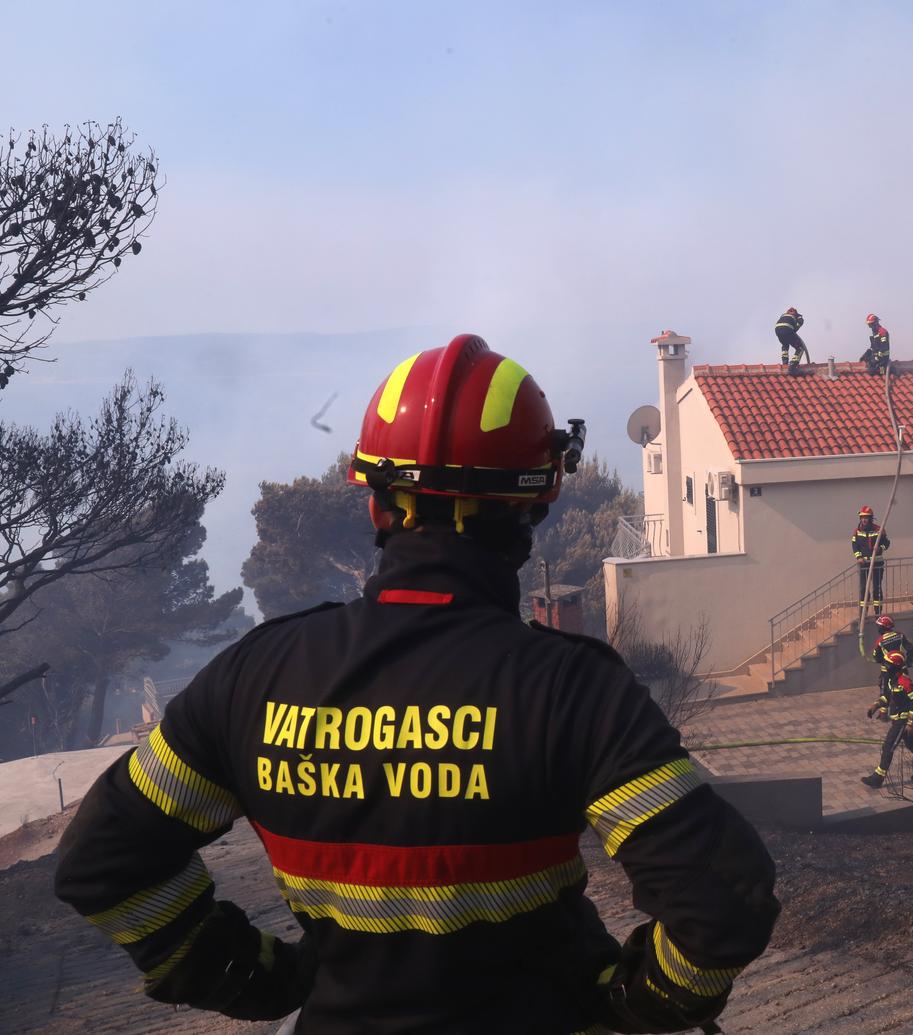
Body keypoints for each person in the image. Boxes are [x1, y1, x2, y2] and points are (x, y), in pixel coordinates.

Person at [54, 334, 780, 1035]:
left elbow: (103, 858)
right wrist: (638, 1000)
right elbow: (724, 899)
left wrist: (252, 974)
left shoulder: (254, 676)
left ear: (375, 504)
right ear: (530, 509)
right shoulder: (574, 692)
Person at [862, 648, 913, 788]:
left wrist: (910, 723)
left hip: (902, 722)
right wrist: (875, 706)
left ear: (894, 667)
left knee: (888, 746)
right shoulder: (892, 681)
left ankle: (878, 778)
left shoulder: (904, 683)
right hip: (898, 721)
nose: (886, 667)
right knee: (912, 744)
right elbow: (888, 696)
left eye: (888, 665)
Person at [851, 505, 890, 609]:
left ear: (870, 518)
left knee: (876, 588)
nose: (864, 520)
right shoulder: (857, 531)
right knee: (863, 588)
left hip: (877, 564)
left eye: (866, 517)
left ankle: (878, 612)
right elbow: (855, 546)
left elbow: (886, 543)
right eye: (862, 517)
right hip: (863, 564)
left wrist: (880, 549)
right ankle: (864, 612)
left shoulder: (879, 530)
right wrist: (858, 557)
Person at [774, 307, 808, 375]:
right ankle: (792, 366)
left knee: (785, 345)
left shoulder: (783, 315)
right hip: (787, 329)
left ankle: (785, 364)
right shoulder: (795, 316)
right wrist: (799, 317)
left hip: (777, 330)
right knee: (800, 348)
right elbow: (799, 324)